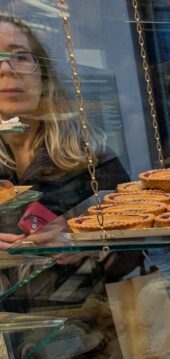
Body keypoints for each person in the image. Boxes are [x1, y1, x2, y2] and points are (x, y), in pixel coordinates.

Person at [0, 15, 128, 244]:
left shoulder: (87, 153)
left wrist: (82, 240)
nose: (6, 69)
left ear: (43, 74)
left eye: (20, 56)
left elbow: (133, 237)